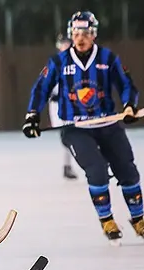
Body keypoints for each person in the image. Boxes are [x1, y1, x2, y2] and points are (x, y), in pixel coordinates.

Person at [22, 11, 144, 246]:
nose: (80, 38)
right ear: (70, 34)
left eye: (85, 33)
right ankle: (107, 220)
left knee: (127, 170)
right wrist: (32, 115)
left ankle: (138, 220)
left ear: (93, 34)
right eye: (75, 33)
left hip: (107, 124)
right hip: (76, 128)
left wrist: (129, 106)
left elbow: (127, 85)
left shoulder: (108, 58)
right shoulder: (58, 62)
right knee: (96, 170)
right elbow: (41, 88)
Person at [49, 34, 78, 180]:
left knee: (70, 134)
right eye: (62, 44)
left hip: (71, 103)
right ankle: (68, 165)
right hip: (57, 104)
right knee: (66, 135)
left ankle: (68, 166)